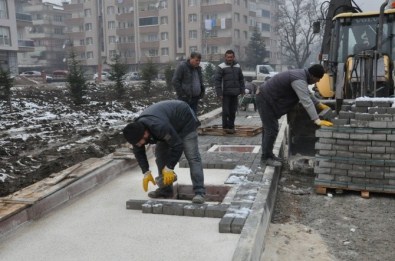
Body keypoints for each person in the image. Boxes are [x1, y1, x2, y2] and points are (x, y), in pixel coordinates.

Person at [122, 100, 206, 204]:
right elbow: (139, 151)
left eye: (139, 142)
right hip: (168, 122)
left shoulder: (158, 127)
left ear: (145, 134)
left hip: (184, 119)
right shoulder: (136, 132)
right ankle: (165, 190)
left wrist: (169, 167)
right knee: (160, 156)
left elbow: (177, 146)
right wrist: (146, 172)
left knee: (192, 157)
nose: (138, 145)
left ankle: (199, 192)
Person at [256, 64, 333, 167]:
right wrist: (316, 120)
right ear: (313, 76)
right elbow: (306, 101)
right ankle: (265, 158)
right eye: (318, 79)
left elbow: (307, 93)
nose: (318, 82)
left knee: (269, 129)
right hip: (265, 99)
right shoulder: (299, 79)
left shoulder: (302, 76)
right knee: (271, 130)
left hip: (268, 99)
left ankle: (268, 154)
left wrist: (318, 104)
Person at [214, 49, 245, 134]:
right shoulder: (221, 67)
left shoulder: (238, 66)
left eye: (231, 57)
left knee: (233, 111)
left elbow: (241, 79)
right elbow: (217, 81)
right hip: (225, 93)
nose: (230, 58)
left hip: (235, 93)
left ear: (234, 57)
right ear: (225, 57)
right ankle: (225, 127)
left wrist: (242, 90)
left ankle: (231, 127)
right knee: (226, 111)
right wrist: (219, 93)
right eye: (228, 57)